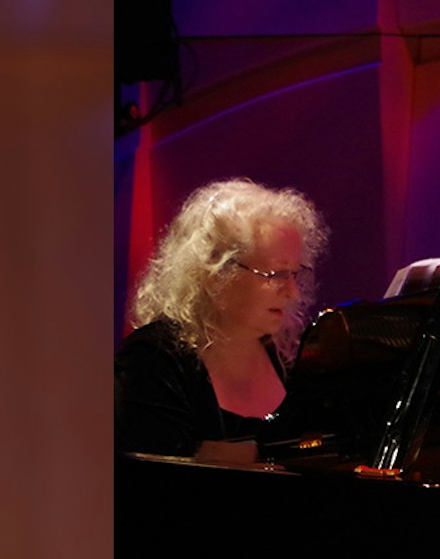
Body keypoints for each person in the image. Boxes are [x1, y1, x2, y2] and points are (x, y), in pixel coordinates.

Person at [116, 178, 327, 456]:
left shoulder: (288, 359)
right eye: (276, 274)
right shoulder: (153, 358)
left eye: (295, 274)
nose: (293, 292)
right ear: (217, 274)